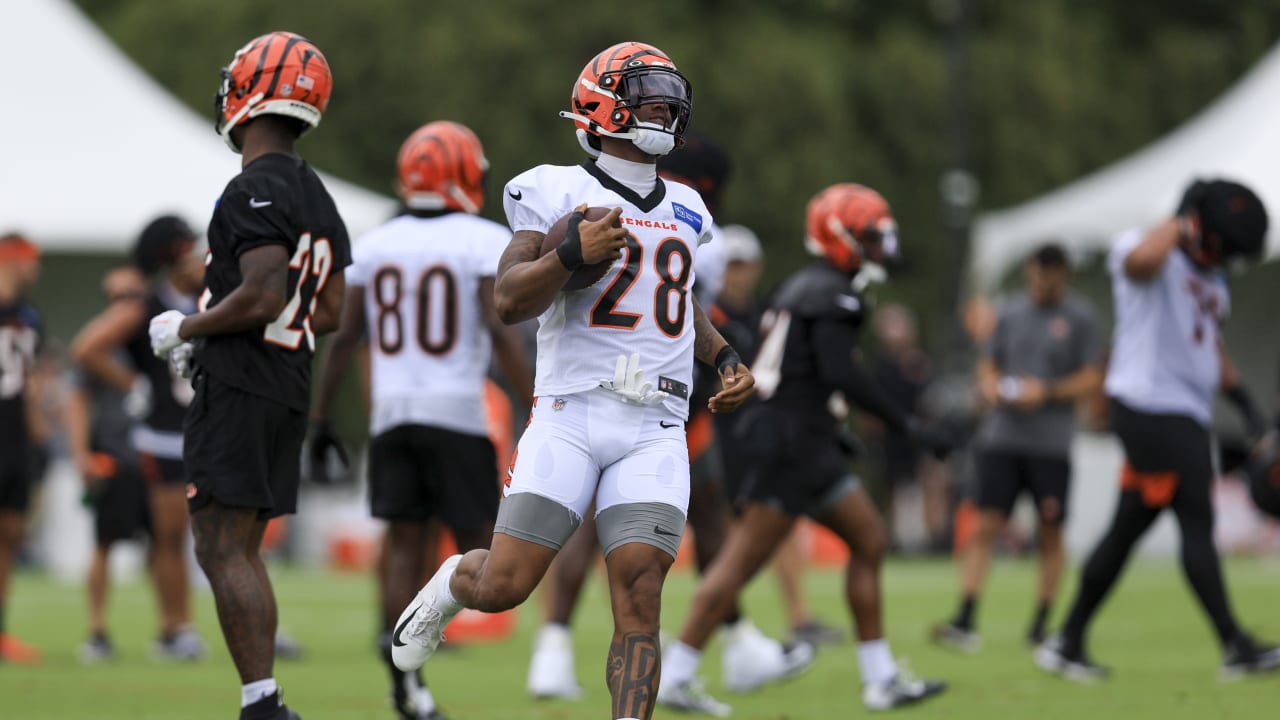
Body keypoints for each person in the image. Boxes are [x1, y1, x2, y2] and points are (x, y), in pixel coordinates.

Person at [390, 41, 754, 720]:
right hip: (573, 415)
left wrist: (724, 356)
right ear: (604, 103)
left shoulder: (688, 206)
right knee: (503, 585)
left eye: (669, 96)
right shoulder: (553, 188)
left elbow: (673, 299)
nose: (664, 108)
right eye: (647, 96)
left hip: (657, 425)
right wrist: (566, 253)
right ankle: (448, 585)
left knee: (641, 592)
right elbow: (508, 298)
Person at [524, 134, 809, 702]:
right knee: (701, 525)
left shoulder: (658, 209)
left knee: (667, 531)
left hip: (644, 392)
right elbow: (681, 302)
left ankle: (564, 649)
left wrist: (726, 355)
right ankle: (724, 646)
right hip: (656, 396)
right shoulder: (685, 221)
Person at [657, 183, 950, 715]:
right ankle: (675, 675)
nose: (878, 245)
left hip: (797, 441)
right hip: (791, 447)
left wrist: (832, 423)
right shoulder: (830, 293)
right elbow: (840, 372)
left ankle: (880, 676)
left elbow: (807, 374)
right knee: (738, 564)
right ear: (840, 237)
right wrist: (905, 424)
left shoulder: (806, 287)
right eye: (868, 235)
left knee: (868, 539)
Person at [147, 32, 349, 720]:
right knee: (240, 548)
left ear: (252, 92)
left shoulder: (252, 188)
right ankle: (262, 700)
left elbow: (263, 293)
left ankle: (262, 704)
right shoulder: (314, 189)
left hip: (241, 385)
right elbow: (327, 310)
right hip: (288, 383)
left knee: (220, 547)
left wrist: (189, 326)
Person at [311, 120, 533, 720]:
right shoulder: (480, 240)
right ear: (463, 174)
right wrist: (538, 403)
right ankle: (451, 632)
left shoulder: (377, 242)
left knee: (403, 546)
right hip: (456, 411)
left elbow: (345, 336)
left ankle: (404, 682)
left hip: (392, 415)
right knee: (485, 547)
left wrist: (323, 418)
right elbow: (500, 332)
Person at [1038, 178, 1280, 681]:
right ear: (1195, 229)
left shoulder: (1212, 281)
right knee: (1197, 516)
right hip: (1151, 407)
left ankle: (1066, 641)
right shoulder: (1151, 251)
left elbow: (1209, 350)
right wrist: (1184, 213)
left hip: (1183, 409)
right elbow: (1139, 263)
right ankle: (1235, 644)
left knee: (1128, 527)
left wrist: (1250, 410)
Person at [932, 243, 1103, 652]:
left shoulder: (1082, 318)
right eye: (1035, 278)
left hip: (1051, 445)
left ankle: (1042, 624)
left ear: (1064, 275)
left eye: (1048, 279)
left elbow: (1092, 377)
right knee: (985, 525)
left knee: (1050, 533)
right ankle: (966, 617)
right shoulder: (1009, 312)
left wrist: (1045, 392)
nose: (1040, 286)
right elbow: (989, 362)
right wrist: (992, 386)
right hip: (1003, 439)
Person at [72, 217, 207, 661]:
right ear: (173, 259)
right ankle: (176, 628)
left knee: (219, 536)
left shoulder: (215, 297)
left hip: (211, 432)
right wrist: (135, 382)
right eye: (189, 252)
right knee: (170, 537)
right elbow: (86, 347)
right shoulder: (146, 305)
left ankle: (200, 625)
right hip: (166, 435)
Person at [64, 265, 154, 662]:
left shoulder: (159, 334)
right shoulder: (102, 341)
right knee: (104, 544)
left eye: (133, 296)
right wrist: (81, 453)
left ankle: (174, 628)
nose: (126, 305)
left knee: (166, 546)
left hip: (159, 456)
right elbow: (76, 399)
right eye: (118, 297)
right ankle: (98, 630)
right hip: (116, 455)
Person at [0, 232, 42, 664]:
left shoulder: (29, 316)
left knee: (9, 535)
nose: (37, 268)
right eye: (32, 259)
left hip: (15, 441)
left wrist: (39, 435)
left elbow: (30, 381)